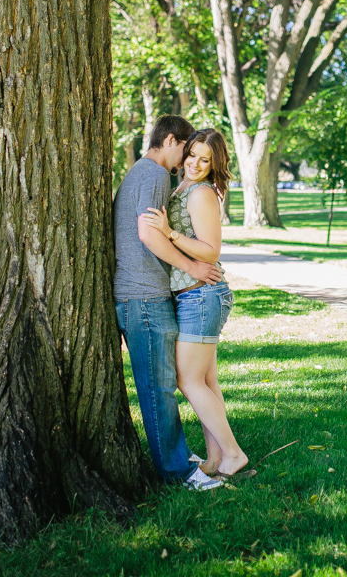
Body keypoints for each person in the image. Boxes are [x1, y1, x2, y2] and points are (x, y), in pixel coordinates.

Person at [114, 115, 224, 491]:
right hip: (143, 296)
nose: (185, 163)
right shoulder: (156, 174)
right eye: (186, 151)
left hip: (143, 294)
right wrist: (193, 266)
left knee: (164, 383)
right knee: (158, 387)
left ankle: (180, 458)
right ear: (173, 141)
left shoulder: (144, 173)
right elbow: (148, 231)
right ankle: (179, 473)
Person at [142, 129, 248, 477]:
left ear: (214, 164)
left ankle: (233, 454)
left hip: (200, 297)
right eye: (193, 155)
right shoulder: (184, 188)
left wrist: (170, 233)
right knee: (206, 382)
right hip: (196, 296)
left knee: (188, 381)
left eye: (206, 160)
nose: (196, 164)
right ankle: (216, 459)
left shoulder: (201, 193)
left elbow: (211, 250)